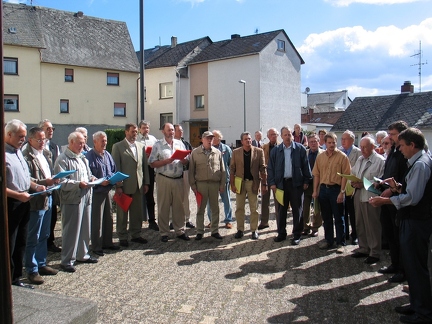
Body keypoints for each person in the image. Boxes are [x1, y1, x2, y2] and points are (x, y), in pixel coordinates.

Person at [370, 128, 432, 324]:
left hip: (416, 222)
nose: (400, 149)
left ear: (413, 145)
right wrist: (397, 187)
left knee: (416, 267)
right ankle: (416, 304)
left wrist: (385, 201)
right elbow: (411, 190)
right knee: (412, 267)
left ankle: (423, 313)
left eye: (402, 145)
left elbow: (412, 198)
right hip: (411, 220)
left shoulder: (421, 165)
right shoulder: (416, 163)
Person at [5, 120, 45, 288]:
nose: (23, 139)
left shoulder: (18, 152)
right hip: (12, 203)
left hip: (24, 201)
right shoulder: (4, 154)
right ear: (9, 135)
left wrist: (36, 186)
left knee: (22, 241)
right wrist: (18, 195)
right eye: (20, 136)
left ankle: (16, 278)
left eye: (24, 136)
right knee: (11, 243)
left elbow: (25, 177)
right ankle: (9, 280)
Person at [54, 131, 97, 273]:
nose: (82, 145)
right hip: (72, 199)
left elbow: (89, 174)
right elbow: (61, 182)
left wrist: (92, 179)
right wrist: (78, 184)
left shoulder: (82, 158)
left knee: (85, 227)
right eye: (79, 143)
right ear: (71, 142)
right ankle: (67, 260)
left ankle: (82, 255)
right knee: (71, 230)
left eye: (83, 143)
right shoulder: (63, 159)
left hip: (86, 195)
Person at [22, 127, 59, 285]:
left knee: (44, 234)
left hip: (48, 197)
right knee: (33, 236)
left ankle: (41, 263)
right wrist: (45, 182)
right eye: (39, 140)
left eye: (44, 139)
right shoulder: (26, 157)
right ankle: (31, 269)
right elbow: (27, 180)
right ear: (30, 140)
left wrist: (54, 180)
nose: (43, 142)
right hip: (36, 201)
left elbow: (47, 174)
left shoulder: (45, 154)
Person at [268, 126, 312, 245]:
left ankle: (297, 234)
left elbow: (306, 166)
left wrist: (306, 181)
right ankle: (281, 233)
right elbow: (270, 168)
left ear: (292, 136)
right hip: (281, 185)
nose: (287, 137)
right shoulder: (275, 151)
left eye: (289, 135)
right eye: (285, 135)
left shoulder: (300, 149)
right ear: (281, 136)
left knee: (297, 210)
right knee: (281, 210)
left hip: (296, 184)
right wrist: (272, 183)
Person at [377, 120, 408, 283]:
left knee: (398, 236)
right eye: (389, 134)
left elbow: (403, 178)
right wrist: (380, 182)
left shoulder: (404, 154)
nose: (390, 137)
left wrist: (392, 189)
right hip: (386, 198)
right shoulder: (393, 151)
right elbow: (388, 173)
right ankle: (394, 264)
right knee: (390, 234)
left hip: (397, 200)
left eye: (392, 134)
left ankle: (403, 270)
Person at [149, 123, 190, 242]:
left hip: (178, 179)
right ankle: (164, 232)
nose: (171, 132)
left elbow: (186, 161)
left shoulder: (179, 143)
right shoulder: (157, 145)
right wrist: (166, 161)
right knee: (163, 206)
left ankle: (180, 230)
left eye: (172, 130)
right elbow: (151, 163)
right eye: (169, 130)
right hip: (164, 178)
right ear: (163, 131)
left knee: (179, 206)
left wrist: (184, 160)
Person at [111, 123, 150, 247]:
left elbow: (144, 166)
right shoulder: (118, 147)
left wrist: (146, 182)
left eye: (136, 132)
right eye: (132, 132)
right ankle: (122, 236)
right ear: (126, 132)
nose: (135, 134)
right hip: (124, 185)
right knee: (122, 213)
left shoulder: (140, 146)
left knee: (137, 212)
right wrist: (118, 185)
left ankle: (136, 234)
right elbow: (116, 167)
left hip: (138, 184)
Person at [312, 132, 351, 253]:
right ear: (325, 143)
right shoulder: (320, 157)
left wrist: (342, 192)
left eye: (334, 142)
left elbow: (345, 176)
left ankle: (341, 242)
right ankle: (329, 240)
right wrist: (315, 191)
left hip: (336, 190)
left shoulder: (342, 157)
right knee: (326, 218)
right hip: (323, 190)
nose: (332, 145)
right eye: (329, 142)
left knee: (339, 218)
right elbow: (316, 175)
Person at [350, 136, 385, 264]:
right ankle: (363, 248)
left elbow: (381, 181)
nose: (362, 149)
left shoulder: (380, 161)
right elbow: (353, 173)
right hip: (358, 194)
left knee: (372, 225)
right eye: (361, 147)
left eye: (365, 147)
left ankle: (375, 252)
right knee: (360, 223)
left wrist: (363, 184)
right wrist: (352, 181)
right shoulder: (360, 159)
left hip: (371, 196)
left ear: (373, 147)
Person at [86, 131, 120, 256]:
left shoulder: (107, 155)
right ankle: (96, 246)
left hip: (108, 191)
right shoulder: (89, 156)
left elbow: (113, 170)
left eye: (105, 140)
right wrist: (100, 182)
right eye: (102, 141)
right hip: (97, 192)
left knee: (109, 218)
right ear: (95, 142)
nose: (105, 143)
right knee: (97, 220)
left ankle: (108, 242)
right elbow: (88, 174)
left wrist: (115, 178)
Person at [189, 131, 226, 240]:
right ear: (202, 139)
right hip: (201, 185)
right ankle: (200, 231)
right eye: (207, 138)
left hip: (214, 184)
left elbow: (223, 170)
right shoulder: (195, 153)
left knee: (215, 208)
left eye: (211, 138)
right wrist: (193, 186)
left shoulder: (217, 152)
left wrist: (222, 184)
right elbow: (191, 171)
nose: (210, 140)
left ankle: (214, 231)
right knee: (201, 209)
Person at [230, 132, 267, 239]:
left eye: (249, 139)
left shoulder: (259, 151)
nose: (248, 141)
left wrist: (264, 184)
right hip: (240, 183)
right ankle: (240, 229)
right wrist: (232, 184)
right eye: (246, 139)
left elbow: (263, 168)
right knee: (239, 208)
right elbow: (232, 169)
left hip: (253, 183)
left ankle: (254, 230)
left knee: (254, 208)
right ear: (242, 141)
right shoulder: (236, 152)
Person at [39, 119, 62, 253]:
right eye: (48, 128)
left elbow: (56, 165)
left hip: (52, 186)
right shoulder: (32, 147)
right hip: (40, 187)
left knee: (52, 215)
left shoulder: (54, 146)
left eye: (52, 128)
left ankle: (50, 241)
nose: (51, 131)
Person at [207, 130, 234, 229]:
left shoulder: (226, 149)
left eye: (215, 137)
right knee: (210, 202)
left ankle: (228, 220)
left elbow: (231, 164)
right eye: (211, 137)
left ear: (220, 138)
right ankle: (212, 221)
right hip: (212, 180)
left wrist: (231, 178)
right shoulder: (208, 149)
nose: (213, 139)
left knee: (226, 200)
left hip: (224, 179)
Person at [340, 130, 362, 244]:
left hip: (353, 186)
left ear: (352, 140)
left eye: (345, 139)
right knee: (342, 212)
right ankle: (344, 234)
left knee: (353, 213)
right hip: (341, 186)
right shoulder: (339, 151)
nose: (343, 141)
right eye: (342, 139)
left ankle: (355, 234)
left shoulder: (358, 152)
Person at [137, 120, 159, 231]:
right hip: (138, 170)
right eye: (144, 128)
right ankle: (137, 221)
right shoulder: (136, 139)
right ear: (139, 128)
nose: (146, 130)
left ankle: (152, 220)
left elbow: (157, 153)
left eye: (147, 128)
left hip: (150, 169)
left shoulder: (153, 139)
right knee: (137, 196)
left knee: (150, 196)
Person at [302, 133, 324, 237]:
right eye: (311, 142)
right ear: (308, 143)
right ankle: (305, 227)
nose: (313, 143)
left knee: (316, 207)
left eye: (315, 141)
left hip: (319, 183)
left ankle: (315, 227)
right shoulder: (305, 153)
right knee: (305, 206)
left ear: (319, 142)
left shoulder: (323, 154)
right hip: (307, 184)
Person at [174, 124, 195, 229]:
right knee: (173, 198)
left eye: (182, 130)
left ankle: (187, 219)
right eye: (179, 130)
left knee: (186, 197)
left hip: (185, 172)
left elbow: (191, 157)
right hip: (173, 173)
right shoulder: (170, 143)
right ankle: (172, 221)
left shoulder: (186, 144)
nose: (181, 132)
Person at [259, 128, 280, 230]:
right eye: (271, 134)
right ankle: (264, 222)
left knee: (278, 202)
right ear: (268, 136)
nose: (273, 136)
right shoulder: (264, 147)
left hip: (278, 178)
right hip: (266, 177)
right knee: (264, 201)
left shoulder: (281, 147)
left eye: (275, 134)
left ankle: (280, 224)